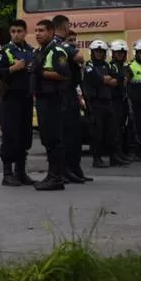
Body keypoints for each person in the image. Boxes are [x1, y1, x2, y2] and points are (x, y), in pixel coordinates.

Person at [0, 19, 36, 187]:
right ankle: (7, 174)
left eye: (19, 31)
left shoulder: (30, 51)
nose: (16, 34)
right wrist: (12, 69)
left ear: (25, 32)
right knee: (10, 135)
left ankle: (21, 172)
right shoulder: (5, 52)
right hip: (11, 99)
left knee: (24, 136)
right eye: (13, 31)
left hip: (26, 98)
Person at [30, 19, 70, 191]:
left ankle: (57, 178)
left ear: (52, 32)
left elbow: (63, 75)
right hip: (42, 99)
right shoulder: (41, 51)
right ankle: (51, 175)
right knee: (47, 139)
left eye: (42, 30)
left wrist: (41, 72)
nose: (38, 33)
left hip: (53, 99)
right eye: (36, 30)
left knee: (54, 139)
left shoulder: (56, 51)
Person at [52, 15, 91, 185]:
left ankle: (75, 169)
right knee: (66, 135)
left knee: (75, 135)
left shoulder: (62, 45)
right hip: (63, 93)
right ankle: (65, 171)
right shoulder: (59, 44)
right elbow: (79, 58)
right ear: (65, 26)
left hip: (71, 93)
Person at [82, 40, 128, 168]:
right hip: (95, 103)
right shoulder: (89, 65)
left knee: (112, 131)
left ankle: (114, 157)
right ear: (92, 52)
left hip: (108, 102)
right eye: (96, 51)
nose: (99, 54)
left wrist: (110, 80)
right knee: (97, 131)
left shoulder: (106, 66)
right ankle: (97, 159)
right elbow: (93, 79)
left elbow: (118, 77)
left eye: (101, 51)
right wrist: (104, 79)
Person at [108, 39, 137, 163]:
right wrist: (122, 78)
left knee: (125, 127)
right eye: (117, 52)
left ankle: (123, 152)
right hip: (115, 101)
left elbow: (130, 75)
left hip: (124, 100)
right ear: (112, 53)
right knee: (116, 128)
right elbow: (116, 79)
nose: (120, 54)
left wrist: (124, 77)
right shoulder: (111, 66)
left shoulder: (125, 66)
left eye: (122, 52)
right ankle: (116, 154)